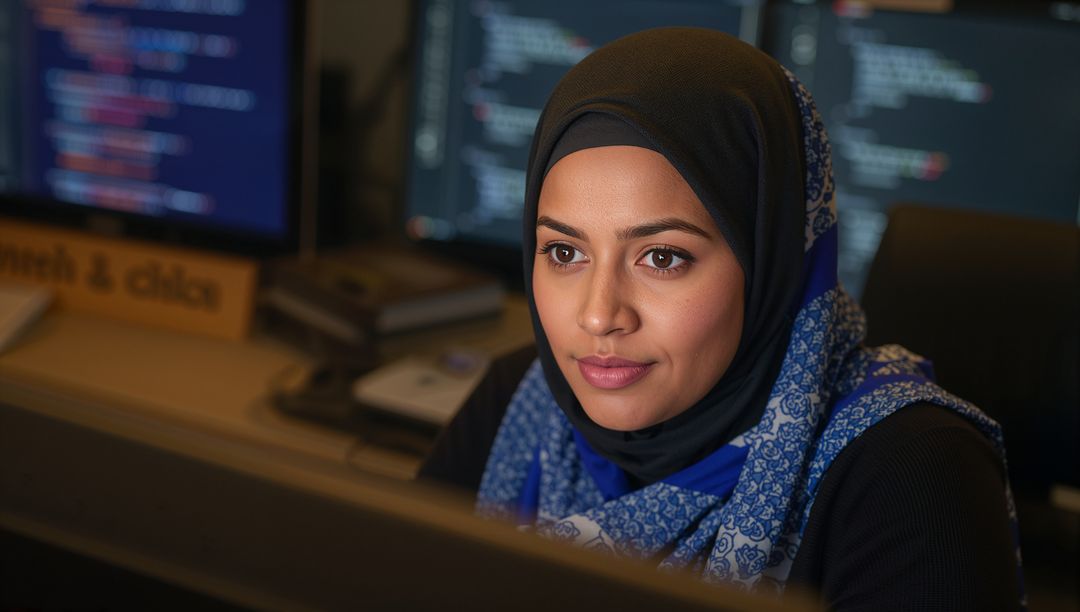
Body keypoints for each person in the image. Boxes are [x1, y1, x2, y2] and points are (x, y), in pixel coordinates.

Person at [420, 28, 1023, 609]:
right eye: (565, 252)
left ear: (772, 260)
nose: (600, 315)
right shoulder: (516, 401)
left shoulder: (915, 475)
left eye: (662, 257)